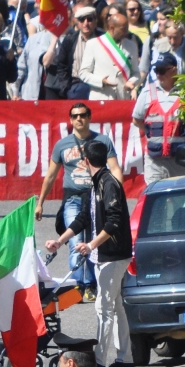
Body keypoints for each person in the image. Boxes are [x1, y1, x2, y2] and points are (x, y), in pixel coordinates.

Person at [45, 137, 134, 367]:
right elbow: (83, 218)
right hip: (104, 255)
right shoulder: (95, 184)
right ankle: (125, 360)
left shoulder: (109, 183)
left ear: (85, 161)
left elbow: (114, 221)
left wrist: (91, 245)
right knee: (115, 307)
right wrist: (60, 241)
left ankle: (100, 362)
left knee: (104, 308)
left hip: (113, 255)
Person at [36, 104, 119, 295]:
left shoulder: (102, 141)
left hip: (96, 197)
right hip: (73, 198)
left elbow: (115, 169)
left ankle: (91, 284)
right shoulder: (62, 145)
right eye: (74, 116)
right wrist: (40, 203)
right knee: (75, 242)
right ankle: (78, 285)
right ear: (70, 120)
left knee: (93, 241)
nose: (79, 119)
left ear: (89, 117)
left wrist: (116, 194)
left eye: (82, 115)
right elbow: (50, 176)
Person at [131, 58, 185, 182]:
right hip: (155, 162)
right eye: (156, 71)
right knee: (154, 192)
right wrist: (152, 133)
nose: (158, 75)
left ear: (174, 69)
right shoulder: (148, 91)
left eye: (162, 71)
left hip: (180, 162)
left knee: (180, 193)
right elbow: (136, 120)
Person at [42, 5, 102, 100]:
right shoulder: (70, 40)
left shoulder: (103, 39)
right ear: (77, 22)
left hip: (98, 87)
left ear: (95, 21)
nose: (86, 23)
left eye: (89, 19)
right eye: (82, 20)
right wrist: (66, 87)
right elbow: (62, 65)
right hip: (76, 87)